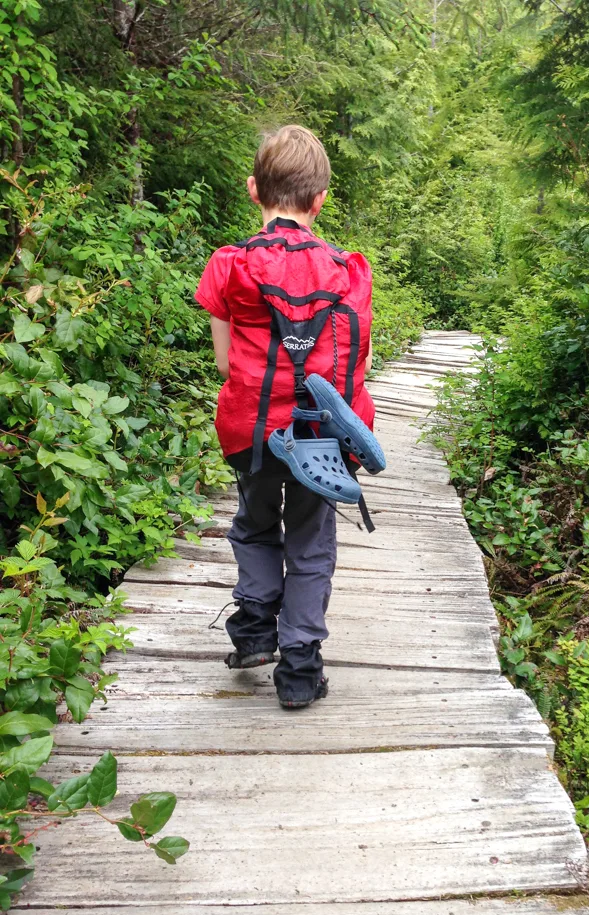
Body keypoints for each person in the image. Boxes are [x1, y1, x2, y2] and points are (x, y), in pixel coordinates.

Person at [195, 125, 375, 709]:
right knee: (310, 543)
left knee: (252, 523)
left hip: (252, 429)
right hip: (319, 439)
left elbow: (226, 364)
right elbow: (353, 368)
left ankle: (252, 632)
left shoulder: (230, 265)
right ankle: (299, 670)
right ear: (320, 199)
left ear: (254, 190)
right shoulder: (347, 271)